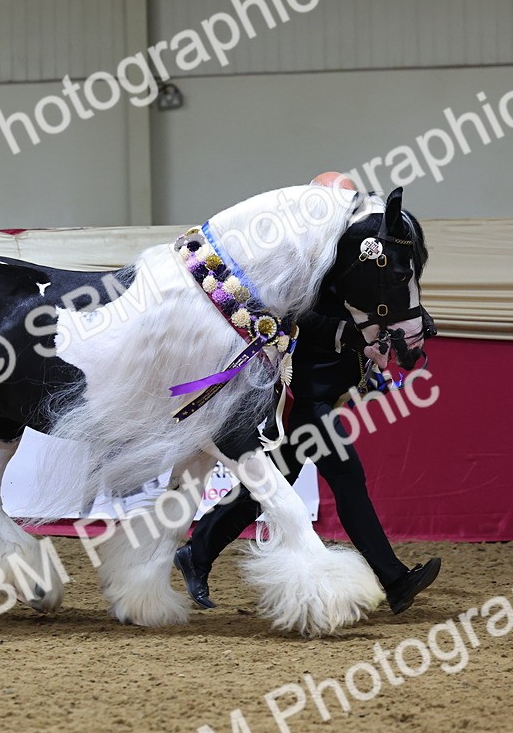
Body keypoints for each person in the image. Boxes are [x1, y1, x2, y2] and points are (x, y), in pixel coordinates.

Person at [174, 174, 440, 615]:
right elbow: (295, 316)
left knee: (273, 481)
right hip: (304, 392)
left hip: (329, 389)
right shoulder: (302, 255)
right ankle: (393, 580)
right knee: (347, 478)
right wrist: (351, 338)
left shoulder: (349, 253)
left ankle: (197, 552)